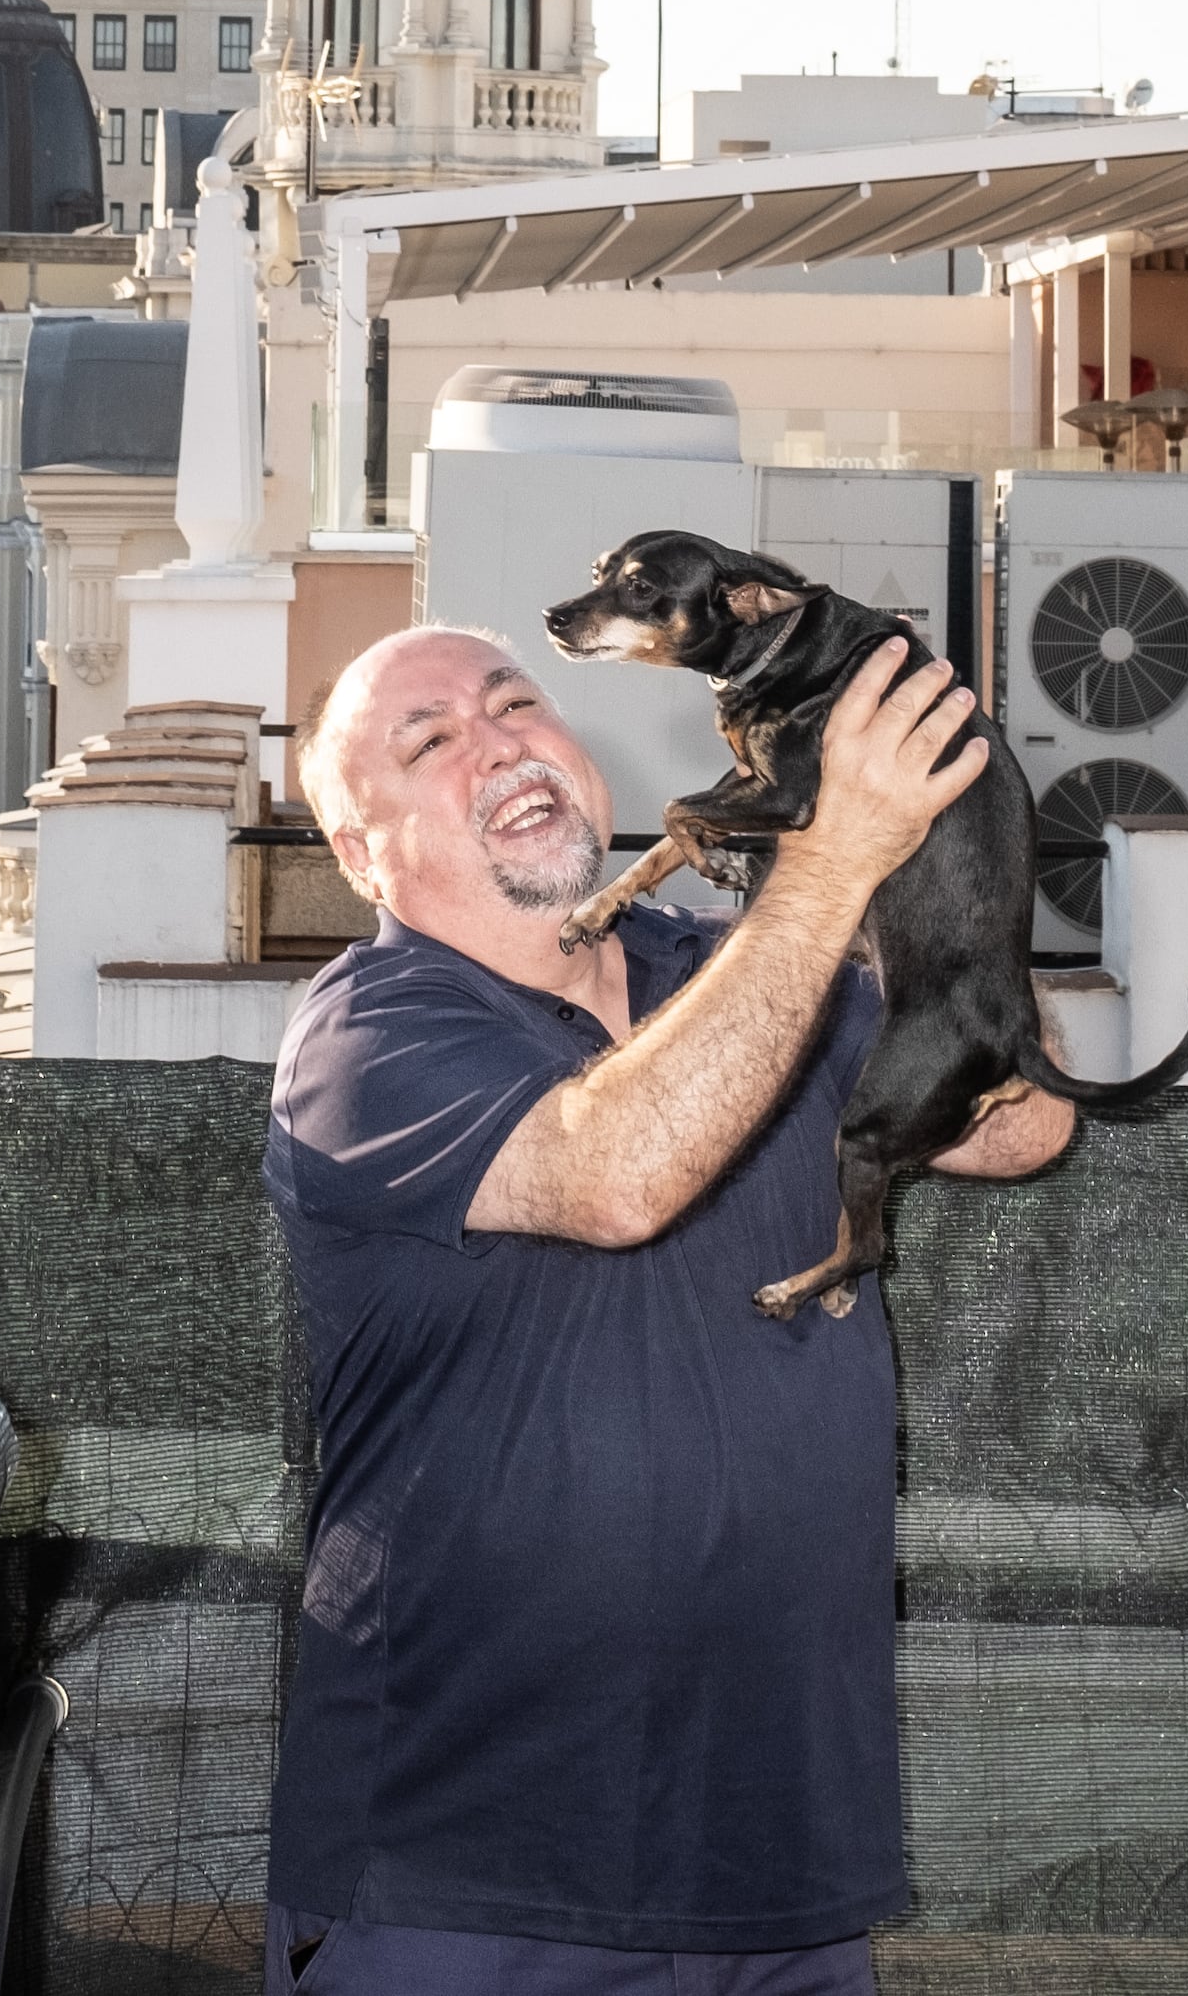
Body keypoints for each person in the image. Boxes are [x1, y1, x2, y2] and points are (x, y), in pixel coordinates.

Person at [260, 625, 1063, 1993]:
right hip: (467, 1883)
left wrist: (941, 858)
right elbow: (617, 1169)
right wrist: (821, 873)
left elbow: (1021, 1120)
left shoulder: (742, 966)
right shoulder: (365, 1033)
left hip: (782, 1868)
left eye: (516, 702)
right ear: (359, 853)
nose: (498, 736)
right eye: (431, 739)